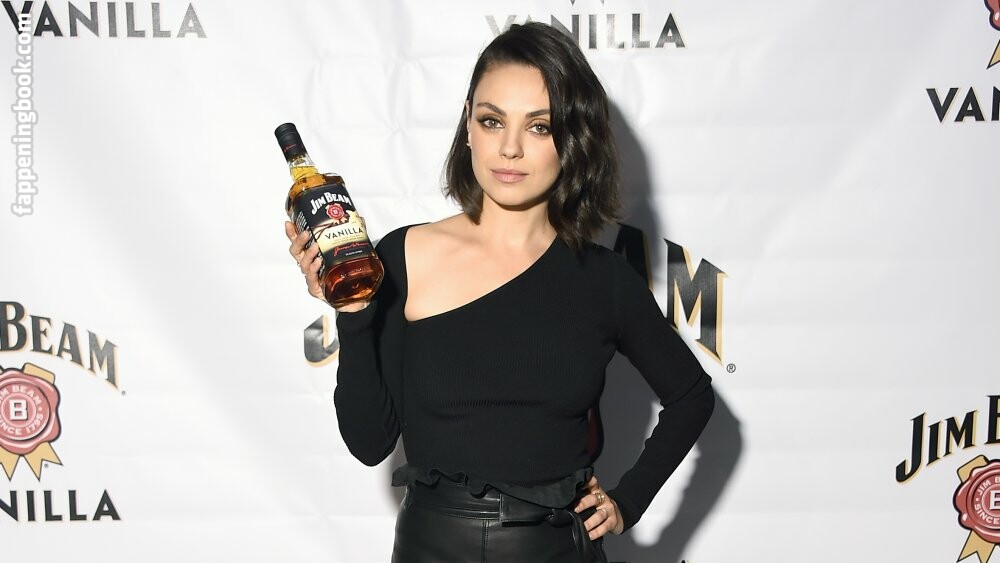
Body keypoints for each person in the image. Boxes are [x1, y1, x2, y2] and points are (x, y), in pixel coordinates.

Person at [284, 22, 714, 562]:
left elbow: (691, 396)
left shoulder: (603, 279)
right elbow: (369, 443)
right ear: (468, 125)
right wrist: (354, 311)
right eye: (492, 121)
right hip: (430, 549)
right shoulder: (403, 256)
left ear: (573, 139)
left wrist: (628, 502)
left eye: (539, 126)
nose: (510, 148)